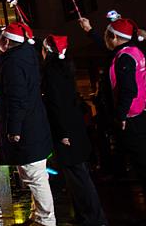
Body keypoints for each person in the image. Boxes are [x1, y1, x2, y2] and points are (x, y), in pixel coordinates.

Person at [0, 21, 55, 226]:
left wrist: (14, 129)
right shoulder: (25, 55)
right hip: (33, 125)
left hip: (26, 129)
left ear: (6, 41)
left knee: (35, 176)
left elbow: (17, 98)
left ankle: (46, 220)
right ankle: (39, 215)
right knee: (34, 174)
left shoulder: (14, 64)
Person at [40, 34, 107, 226]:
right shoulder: (64, 67)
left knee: (79, 179)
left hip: (67, 133)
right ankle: (88, 216)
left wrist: (62, 133)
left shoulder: (52, 71)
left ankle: (93, 218)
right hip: (74, 130)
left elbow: (57, 105)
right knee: (79, 177)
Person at [85, 17, 146, 193]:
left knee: (141, 166)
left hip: (131, 118)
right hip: (139, 114)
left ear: (113, 37)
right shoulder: (134, 51)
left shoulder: (123, 58)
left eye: (106, 35)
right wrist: (90, 31)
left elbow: (128, 90)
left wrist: (121, 116)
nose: (104, 39)